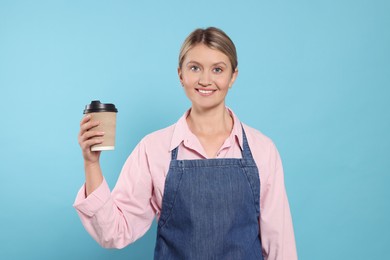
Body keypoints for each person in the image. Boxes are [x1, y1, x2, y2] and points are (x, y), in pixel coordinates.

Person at [74, 27, 297, 260]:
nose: (205, 80)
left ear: (233, 76)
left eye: (218, 69)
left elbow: (281, 246)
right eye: (195, 68)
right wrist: (91, 164)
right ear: (181, 74)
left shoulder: (263, 149)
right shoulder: (153, 149)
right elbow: (114, 232)